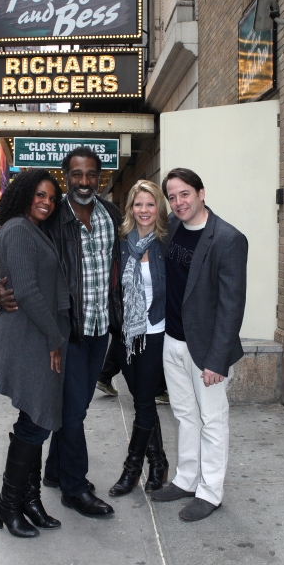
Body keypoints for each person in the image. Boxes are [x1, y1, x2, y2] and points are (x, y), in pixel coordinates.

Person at [0, 146, 122, 518]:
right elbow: (18, 264)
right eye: (77, 174)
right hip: (66, 332)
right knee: (73, 413)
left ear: (99, 177)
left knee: (76, 406)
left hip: (100, 330)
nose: (85, 181)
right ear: (68, 176)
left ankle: (53, 471)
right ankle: (74, 487)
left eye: (92, 175)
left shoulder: (111, 215)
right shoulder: (48, 217)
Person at [151, 168, 248, 522]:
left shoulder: (227, 238)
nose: (178, 202)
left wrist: (217, 360)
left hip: (207, 350)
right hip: (172, 341)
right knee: (185, 416)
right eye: (172, 197)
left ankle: (210, 492)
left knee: (212, 420)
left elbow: (231, 305)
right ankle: (186, 479)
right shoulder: (174, 229)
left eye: (184, 194)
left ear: (201, 193)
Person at [0, 169, 70, 539]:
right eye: (40, 194)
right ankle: (8, 504)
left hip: (37, 335)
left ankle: (31, 501)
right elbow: (26, 291)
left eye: (52, 198)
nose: (47, 202)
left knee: (35, 417)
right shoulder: (18, 230)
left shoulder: (30, 230)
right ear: (25, 194)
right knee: (36, 422)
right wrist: (55, 339)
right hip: (30, 338)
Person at [107, 180, 169, 498]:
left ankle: (132, 469)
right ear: (131, 207)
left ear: (158, 207)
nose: (144, 210)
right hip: (126, 336)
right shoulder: (119, 243)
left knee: (143, 402)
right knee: (142, 402)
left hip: (155, 333)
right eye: (138, 204)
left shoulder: (166, 243)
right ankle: (158, 463)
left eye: (150, 204)